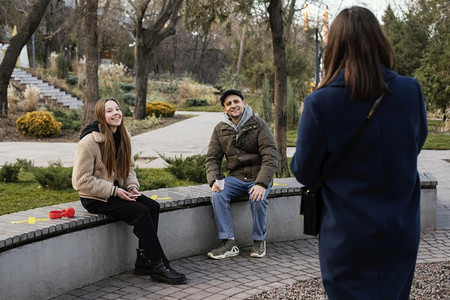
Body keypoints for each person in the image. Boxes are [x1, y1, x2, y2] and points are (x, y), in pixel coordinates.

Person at [290, 6, 428, 300]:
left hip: (346, 235)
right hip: (401, 229)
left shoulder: (320, 103)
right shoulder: (410, 92)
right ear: (380, 40)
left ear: (335, 46)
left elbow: (304, 171)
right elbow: (415, 145)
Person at [72, 98, 186, 285]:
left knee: (152, 206)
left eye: (117, 109)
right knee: (140, 211)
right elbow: (80, 181)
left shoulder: (124, 135)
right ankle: (159, 265)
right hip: (95, 197)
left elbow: (129, 168)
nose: (116, 113)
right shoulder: (89, 142)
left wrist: (132, 187)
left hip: (119, 190)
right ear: (101, 115)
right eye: (109, 111)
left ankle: (143, 261)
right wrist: (115, 191)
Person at [205, 89, 279, 259]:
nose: (233, 106)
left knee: (257, 197)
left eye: (236, 101)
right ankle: (229, 242)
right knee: (218, 195)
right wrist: (213, 181)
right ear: (223, 109)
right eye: (228, 104)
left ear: (244, 103)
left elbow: (271, 155)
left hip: (258, 175)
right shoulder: (220, 129)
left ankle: (259, 239)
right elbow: (211, 158)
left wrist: (261, 184)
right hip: (236, 177)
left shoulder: (259, 124)